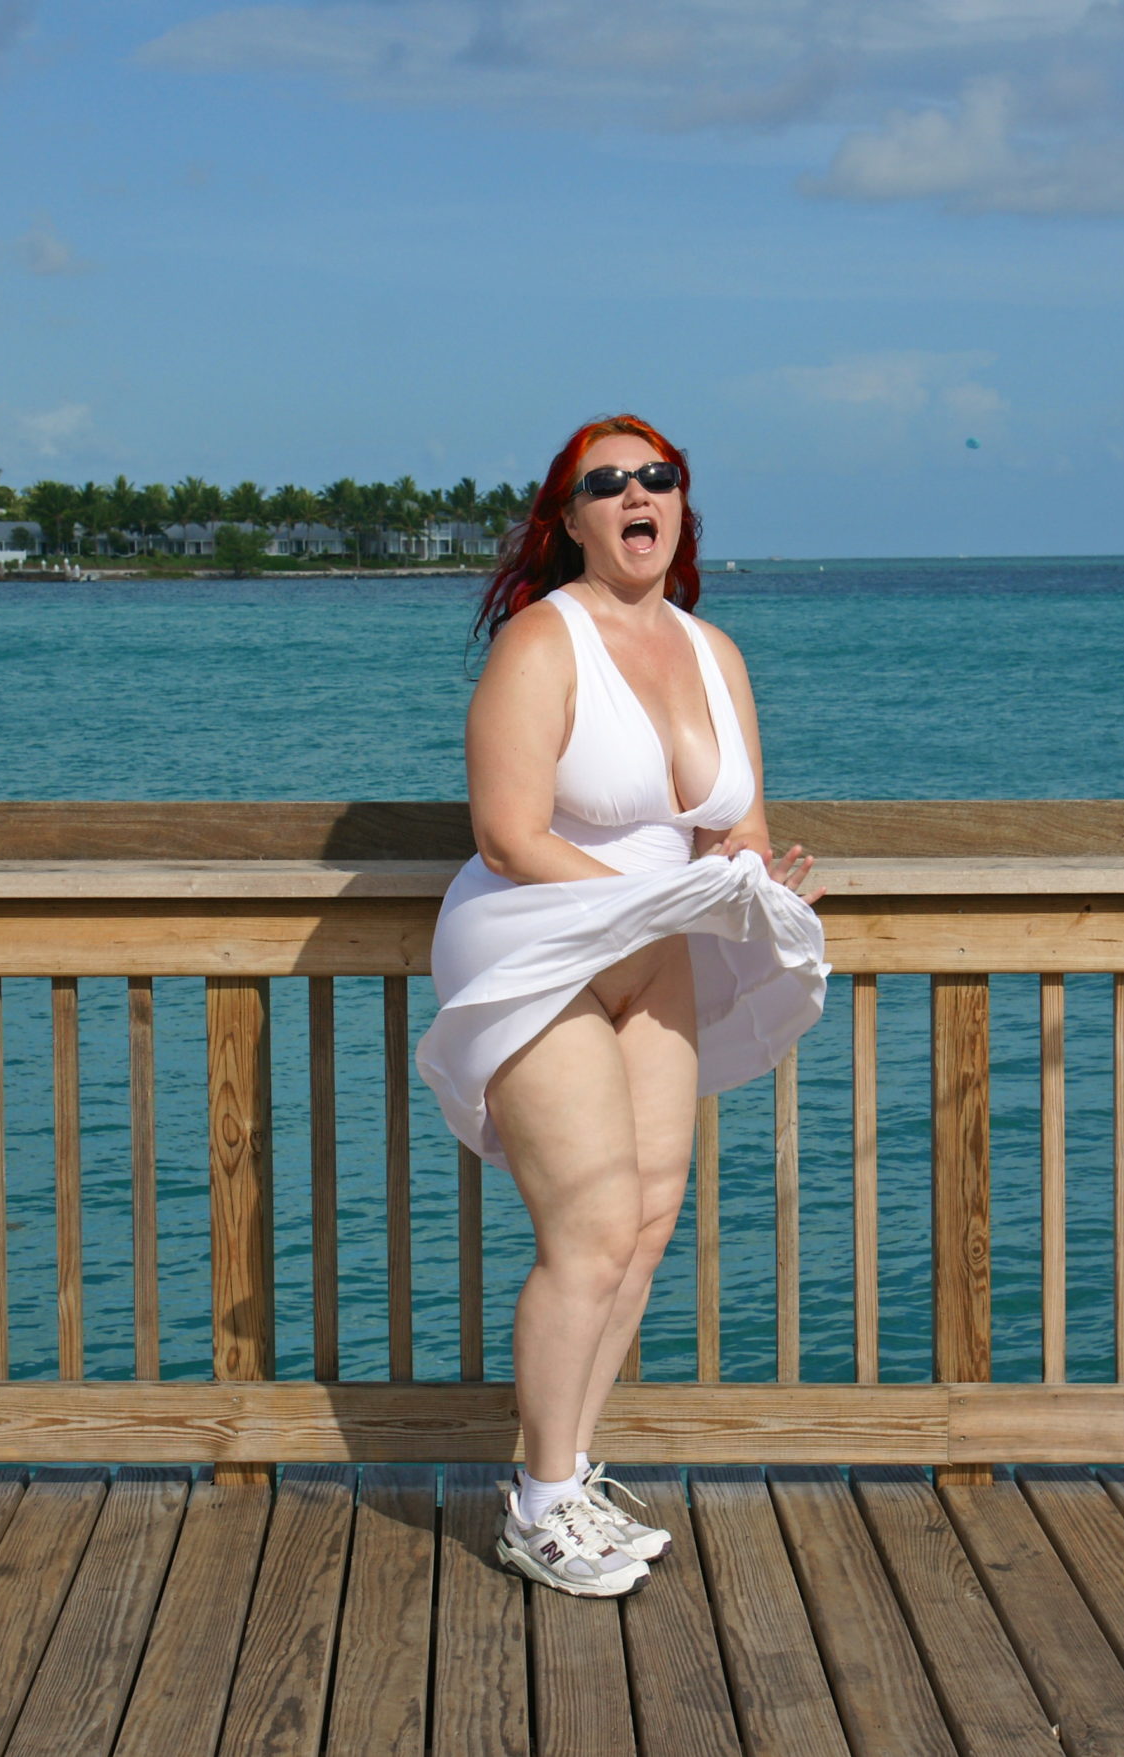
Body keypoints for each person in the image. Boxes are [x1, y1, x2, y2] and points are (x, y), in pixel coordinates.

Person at [416, 414, 828, 1597]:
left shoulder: (715, 651)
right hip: (534, 937)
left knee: (647, 1220)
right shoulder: (541, 644)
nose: (639, 493)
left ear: (681, 506)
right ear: (572, 519)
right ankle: (536, 1506)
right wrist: (659, 896)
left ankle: (571, 1471)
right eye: (609, 483)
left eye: (660, 476)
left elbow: (733, 823)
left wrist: (748, 875)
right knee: (590, 1230)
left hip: (656, 939)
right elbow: (507, 831)